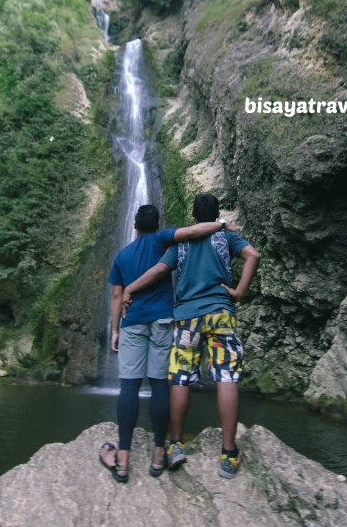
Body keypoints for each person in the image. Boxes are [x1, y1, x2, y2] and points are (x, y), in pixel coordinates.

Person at [121, 193, 260, 480]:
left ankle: (175, 445)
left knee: (180, 378)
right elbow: (253, 256)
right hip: (221, 313)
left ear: (194, 217)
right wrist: (238, 292)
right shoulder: (227, 239)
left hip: (186, 318)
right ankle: (228, 453)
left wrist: (130, 288)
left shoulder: (180, 243)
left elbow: (158, 270)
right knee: (226, 377)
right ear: (216, 214)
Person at [98, 204, 235, 483]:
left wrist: (114, 331)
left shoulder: (122, 256)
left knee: (130, 384)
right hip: (163, 319)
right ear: (157, 225)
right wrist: (222, 225)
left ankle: (122, 462)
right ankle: (159, 454)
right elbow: (196, 231)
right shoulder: (163, 241)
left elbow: (116, 296)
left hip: (132, 322)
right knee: (160, 383)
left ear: (135, 226)